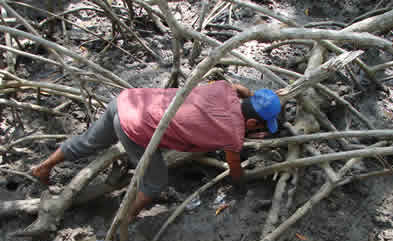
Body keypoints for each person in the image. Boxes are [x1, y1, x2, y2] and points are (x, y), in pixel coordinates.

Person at [32, 80, 282, 224]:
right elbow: (234, 168)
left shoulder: (224, 89)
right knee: (156, 183)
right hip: (134, 129)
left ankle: (43, 167)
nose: (260, 130)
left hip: (126, 101)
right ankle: (125, 220)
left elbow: (239, 88)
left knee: (88, 142)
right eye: (260, 126)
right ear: (251, 124)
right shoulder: (233, 134)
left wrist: (252, 98)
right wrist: (241, 186)